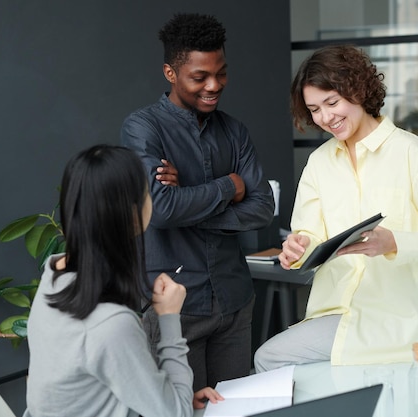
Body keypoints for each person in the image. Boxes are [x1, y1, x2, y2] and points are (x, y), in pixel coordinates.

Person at [254, 45, 418, 372]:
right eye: (314, 109)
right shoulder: (319, 162)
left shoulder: (411, 152)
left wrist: (394, 243)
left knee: (268, 358)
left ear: (358, 90)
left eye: (332, 102)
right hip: (333, 310)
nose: (325, 118)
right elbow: (309, 234)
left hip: (393, 314)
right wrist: (297, 247)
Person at [121, 13, 275, 390]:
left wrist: (186, 198)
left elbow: (262, 206)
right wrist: (227, 186)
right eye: (199, 77)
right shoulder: (142, 128)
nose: (213, 85)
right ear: (170, 73)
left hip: (234, 301)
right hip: (175, 308)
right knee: (180, 411)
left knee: (235, 409)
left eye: (221, 73)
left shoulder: (235, 131)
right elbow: (160, 210)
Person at [24, 145, 222, 417]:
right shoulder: (110, 323)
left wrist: (173, 396)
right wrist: (169, 317)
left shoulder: (55, 272)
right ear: (132, 214)